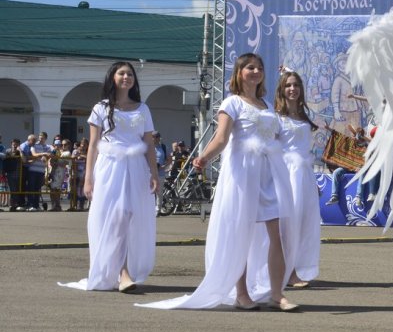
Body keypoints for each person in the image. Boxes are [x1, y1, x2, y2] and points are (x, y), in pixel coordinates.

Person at [138, 53, 298, 312]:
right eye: (249, 67)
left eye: (259, 68)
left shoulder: (267, 105)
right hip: (244, 175)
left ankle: (277, 294)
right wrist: (203, 158)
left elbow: (277, 139)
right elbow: (221, 138)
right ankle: (242, 293)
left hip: (270, 175)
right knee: (240, 235)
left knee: (277, 236)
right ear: (239, 72)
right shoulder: (232, 103)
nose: (255, 71)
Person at [59, 61, 159, 292]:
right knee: (116, 215)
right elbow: (93, 145)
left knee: (131, 215)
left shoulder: (142, 108)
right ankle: (121, 273)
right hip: (109, 167)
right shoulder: (101, 108)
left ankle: (123, 271)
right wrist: (88, 178)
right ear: (112, 77)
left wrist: (154, 173)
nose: (127, 77)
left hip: (135, 167)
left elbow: (149, 144)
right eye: (122, 73)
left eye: (130, 74)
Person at [275, 71, 321, 288]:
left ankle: (296, 267)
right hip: (287, 174)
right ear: (282, 89)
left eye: (296, 85)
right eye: (288, 85)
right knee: (287, 224)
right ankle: (289, 272)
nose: (292, 89)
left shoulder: (303, 117)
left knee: (303, 225)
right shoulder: (276, 117)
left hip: (304, 175)